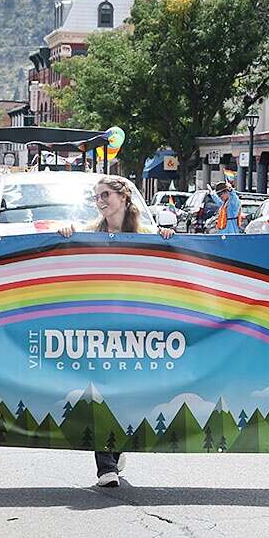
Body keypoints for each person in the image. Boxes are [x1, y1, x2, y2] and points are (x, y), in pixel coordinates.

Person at [58, 176, 175, 487]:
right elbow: (70, 250)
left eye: (106, 194)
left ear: (124, 198)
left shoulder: (145, 234)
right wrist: (67, 233)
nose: (100, 200)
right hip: (99, 326)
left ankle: (116, 446)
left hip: (136, 328)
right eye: (97, 195)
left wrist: (168, 237)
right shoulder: (91, 232)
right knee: (101, 391)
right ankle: (106, 466)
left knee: (129, 394)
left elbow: (170, 259)